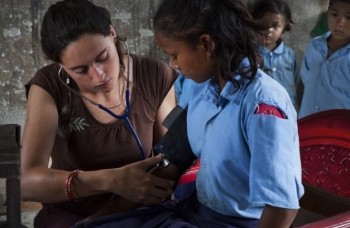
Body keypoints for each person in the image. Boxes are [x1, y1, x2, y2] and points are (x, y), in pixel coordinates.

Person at [20, 0, 182, 227]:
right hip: (72, 214)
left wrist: (101, 218)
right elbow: (27, 183)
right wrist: (110, 180)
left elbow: (168, 163)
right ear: (60, 66)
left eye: (103, 57)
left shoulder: (156, 75)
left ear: (112, 33)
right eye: (80, 70)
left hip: (140, 208)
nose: (98, 76)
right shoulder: (48, 86)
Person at [153, 0, 304, 227]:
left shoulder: (263, 104)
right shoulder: (202, 87)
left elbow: (282, 208)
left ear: (207, 44)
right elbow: (177, 148)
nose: (172, 64)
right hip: (197, 210)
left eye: (174, 55)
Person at [298, 0, 350, 118]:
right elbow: (306, 78)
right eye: (334, 15)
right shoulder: (314, 46)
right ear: (328, 13)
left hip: (338, 129)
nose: (340, 23)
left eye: (349, 17)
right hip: (307, 122)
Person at [250, 0, 298, 110]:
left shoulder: (289, 55)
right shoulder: (250, 54)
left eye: (275, 26)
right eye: (263, 24)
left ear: (284, 29)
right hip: (259, 111)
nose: (268, 30)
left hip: (286, 110)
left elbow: (295, 80)